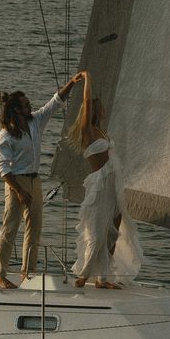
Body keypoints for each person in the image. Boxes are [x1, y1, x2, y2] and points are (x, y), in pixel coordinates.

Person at [0, 73, 83, 289]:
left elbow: (55, 102)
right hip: (16, 182)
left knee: (34, 229)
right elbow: (3, 170)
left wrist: (71, 83)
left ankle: (28, 273)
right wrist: (18, 191)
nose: (29, 106)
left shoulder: (34, 122)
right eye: (25, 104)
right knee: (11, 227)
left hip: (35, 181)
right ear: (16, 109)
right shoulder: (5, 135)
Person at [68, 70, 143, 289]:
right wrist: (87, 78)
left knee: (114, 228)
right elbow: (86, 102)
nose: (102, 108)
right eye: (98, 106)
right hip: (100, 186)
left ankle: (103, 277)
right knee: (98, 230)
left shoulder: (101, 131)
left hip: (113, 184)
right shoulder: (88, 131)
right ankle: (84, 273)